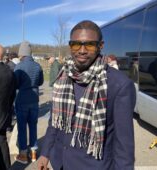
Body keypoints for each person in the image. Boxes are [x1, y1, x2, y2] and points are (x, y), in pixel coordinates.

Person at [38, 20, 136, 170]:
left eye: (89, 44)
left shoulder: (119, 84)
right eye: (76, 44)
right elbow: (55, 121)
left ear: (100, 46)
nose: (82, 50)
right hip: (59, 163)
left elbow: (124, 144)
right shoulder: (63, 76)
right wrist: (45, 153)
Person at [14, 41, 44, 164]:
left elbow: (15, 83)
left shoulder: (19, 66)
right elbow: (41, 82)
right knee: (33, 126)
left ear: (22, 53)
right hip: (34, 100)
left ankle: (23, 154)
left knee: (22, 128)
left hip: (22, 100)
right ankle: (33, 153)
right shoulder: (38, 66)